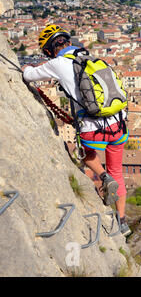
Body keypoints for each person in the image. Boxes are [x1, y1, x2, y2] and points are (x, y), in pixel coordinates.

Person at [23, 25, 131, 236]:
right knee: (117, 171)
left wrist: (27, 67)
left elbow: (29, 75)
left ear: (48, 49)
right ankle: (123, 222)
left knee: (85, 155)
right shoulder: (90, 57)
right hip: (118, 124)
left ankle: (102, 176)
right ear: (68, 41)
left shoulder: (57, 63)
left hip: (92, 129)